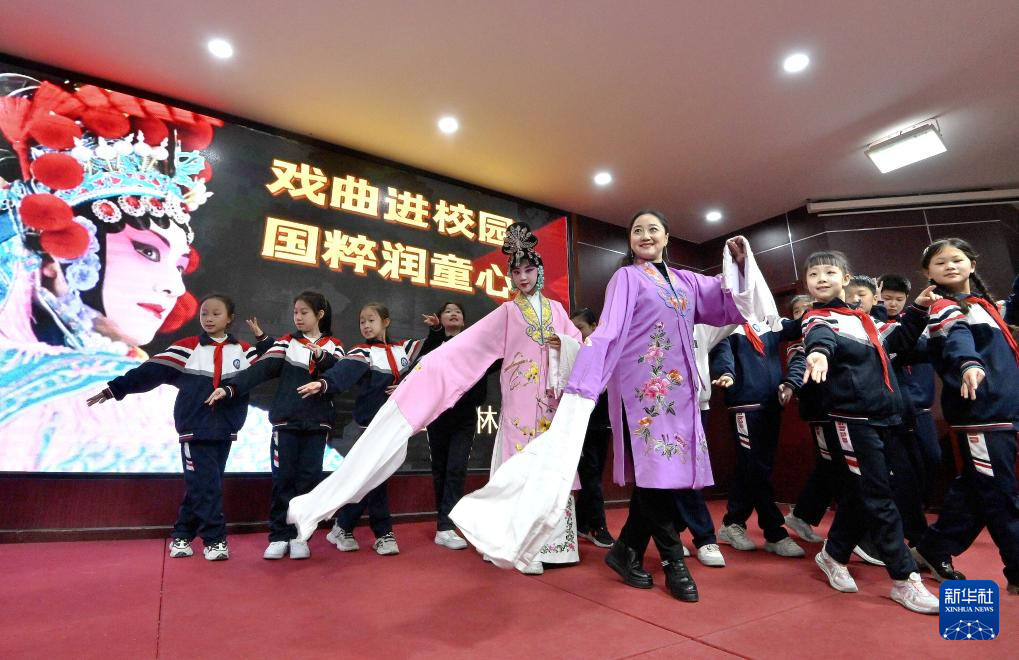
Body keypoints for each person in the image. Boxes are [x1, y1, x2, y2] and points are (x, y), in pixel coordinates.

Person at [451, 210, 772, 603]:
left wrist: (740, 264)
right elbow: (607, 333)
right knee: (658, 476)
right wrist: (584, 384)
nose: (645, 235)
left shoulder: (687, 281)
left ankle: (626, 550)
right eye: (637, 230)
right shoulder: (626, 278)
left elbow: (728, 305)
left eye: (653, 229)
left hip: (680, 392)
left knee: (663, 479)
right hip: (644, 392)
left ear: (667, 237)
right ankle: (674, 561)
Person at [0, 76, 277, 473]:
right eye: (147, 251)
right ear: (55, 257)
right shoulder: (87, 412)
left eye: (179, 265)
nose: (174, 286)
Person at [286, 223, 584, 576]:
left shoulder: (558, 311)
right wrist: (425, 369)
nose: (522, 278)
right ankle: (522, 547)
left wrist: (565, 345)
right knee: (519, 463)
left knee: (551, 461)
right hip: (520, 400)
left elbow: (580, 344)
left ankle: (554, 546)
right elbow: (465, 348)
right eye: (516, 272)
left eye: (528, 270)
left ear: (539, 271)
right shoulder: (506, 313)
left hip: (551, 398)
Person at [799, 250, 941, 614]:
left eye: (829, 272)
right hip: (852, 421)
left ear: (845, 279)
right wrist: (818, 355)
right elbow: (819, 338)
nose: (821, 278)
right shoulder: (817, 317)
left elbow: (897, 344)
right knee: (878, 497)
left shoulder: (864, 320)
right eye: (813, 274)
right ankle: (904, 579)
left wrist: (918, 310)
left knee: (865, 493)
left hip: (886, 417)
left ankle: (833, 554)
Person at [86, 294, 268, 560]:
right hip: (194, 427)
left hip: (226, 428)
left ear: (230, 318)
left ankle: (182, 535)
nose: (208, 318)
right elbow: (148, 372)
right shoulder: (186, 348)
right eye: (204, 313)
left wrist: (263, 339)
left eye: (216, 314)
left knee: (204, 484)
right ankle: (215, 539)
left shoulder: (244, 351)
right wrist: (115, 389)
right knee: (206, 485)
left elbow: (270, 365)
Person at [912, 239, 1019, 595]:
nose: (950, 265)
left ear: (972, 264)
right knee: (1000, 493)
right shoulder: (943, 308)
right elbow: (958, 341)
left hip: (1002, 412)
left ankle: (933, 547)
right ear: (928, 273)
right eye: (940, 262)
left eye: (957, 259)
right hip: (980, 414)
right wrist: (969, 364)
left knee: (976, 489)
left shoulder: (985, 307)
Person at [209, 291, 343, 560]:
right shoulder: (286, 342)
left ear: (320, 314)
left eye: (304, 312)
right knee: (283, 480)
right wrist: (230, 388)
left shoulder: (334, 345)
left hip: (318, 424)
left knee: (308, 481)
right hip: (285, 423)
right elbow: (259, 370)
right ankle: (279, 536)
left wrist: (322, 357)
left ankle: (300, 537)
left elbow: (340, 373)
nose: (298, 317)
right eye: (295, 312)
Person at [299, 303, 425, 557]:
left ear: (386, 322)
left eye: (371, 320)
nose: (366, 326)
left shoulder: (405, 349)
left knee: (369, 479)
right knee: (375, 479)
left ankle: (343, 526)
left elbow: (433, 358)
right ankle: (383, 533)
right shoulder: (363, 352)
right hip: (370, 428)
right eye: (362, 321)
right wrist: (323, 384)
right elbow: (342, 373)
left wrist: (408, 384)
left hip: (397, 427)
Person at [709, 306, 805, 558]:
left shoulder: (769, 321)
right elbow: (721, 352)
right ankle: (775, 532)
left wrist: (820, 307)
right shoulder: (727, 324)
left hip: (771, 405)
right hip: (744, 405)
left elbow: (797, 327)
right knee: (755, 468)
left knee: (754, 468)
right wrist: (725, 373)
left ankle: (733, 522)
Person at [420, 302, 487, 550]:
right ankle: (444, 524)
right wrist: (435, 332)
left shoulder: (474, 345)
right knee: (440, 468)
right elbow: (422, 365)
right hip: (438, 414)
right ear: (439, 318)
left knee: (457, 468)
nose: (453, 313)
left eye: (458, 311)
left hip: (464, 416)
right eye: (448, 311)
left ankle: (446, 525)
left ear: (464, 320)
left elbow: (492, 363)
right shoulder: (434, 342)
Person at [570, 308, 615, 549]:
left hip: (603, 422)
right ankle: (598, 526)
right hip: (581, 423)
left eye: (581, 328)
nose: (577, 334)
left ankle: (581, 523)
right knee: (590, 474)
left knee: (595, 475)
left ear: (595, 327)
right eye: (573, 330)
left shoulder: (608, 351)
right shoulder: (572, 353)